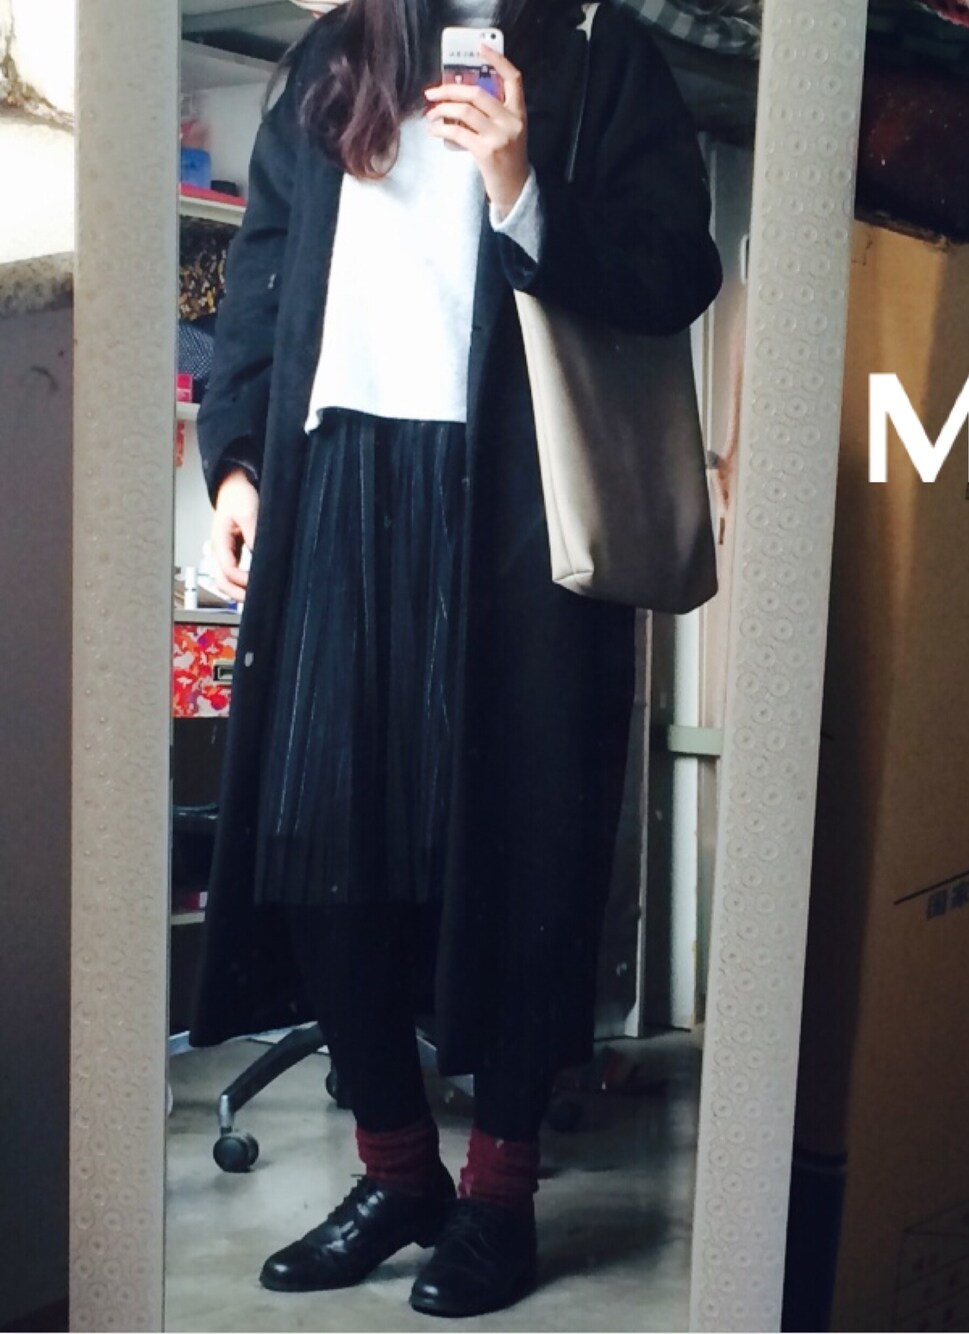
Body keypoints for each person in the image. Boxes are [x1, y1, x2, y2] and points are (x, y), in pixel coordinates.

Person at [190, 0, 722, 1318]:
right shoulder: (339, 51)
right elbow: (261, 271)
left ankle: (499, 1191)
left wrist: (519, 181)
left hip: (517, 505)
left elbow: (676, 272)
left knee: (526, 842)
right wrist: (239, 459)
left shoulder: (599, 49)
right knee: (323, 846)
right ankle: (396, 1172)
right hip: (334, 477)